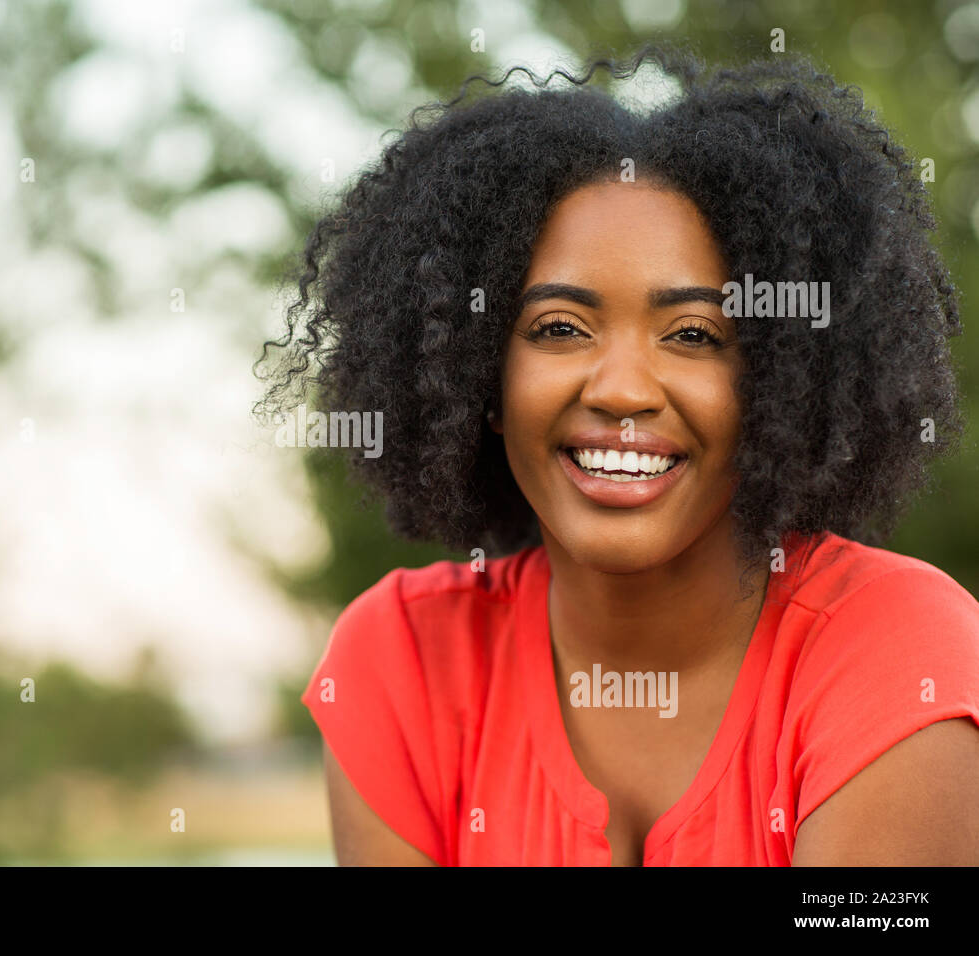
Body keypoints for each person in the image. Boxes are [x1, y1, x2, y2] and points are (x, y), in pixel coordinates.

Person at [256, 46, 979, 865]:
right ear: (480, 375)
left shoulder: (897, 650)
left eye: (695, 335)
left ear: (778, 382)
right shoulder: (403, 662)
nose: (623, 390)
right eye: (559, 328)